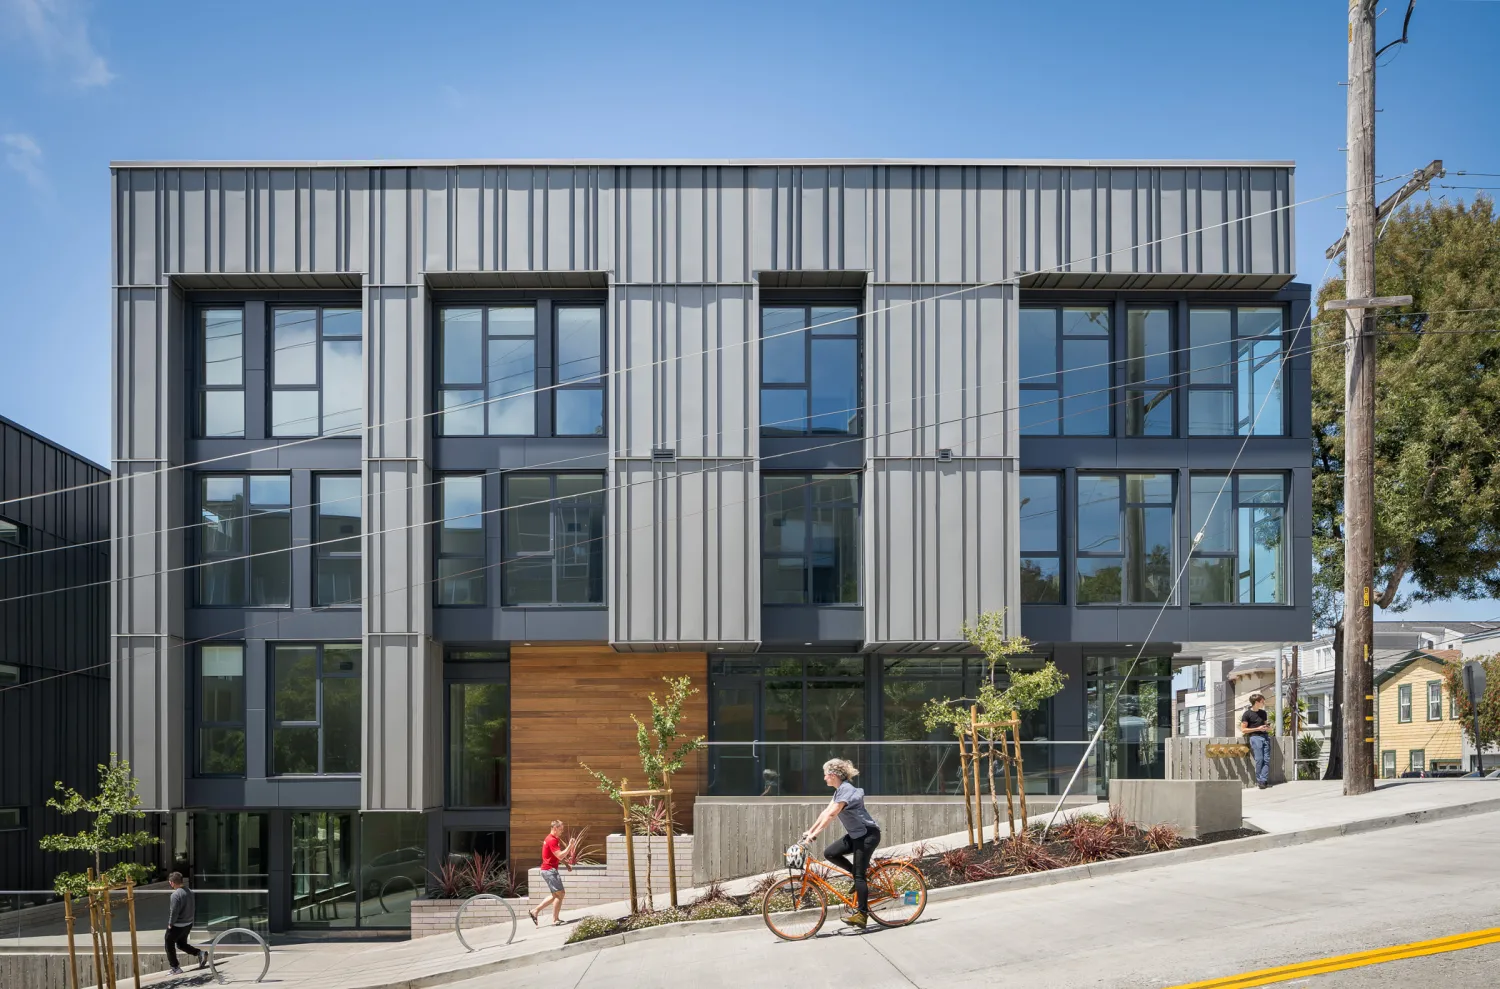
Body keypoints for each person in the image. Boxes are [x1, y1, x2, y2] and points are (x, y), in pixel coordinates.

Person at [802, 758, 880, 929]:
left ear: (833, 775)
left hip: (867, 835)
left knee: (860, 876)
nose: (824, 779)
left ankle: (862, 915)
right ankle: (859, 877)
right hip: (856, 835)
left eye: (825, 776)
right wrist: (810, 830)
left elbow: (833, 814)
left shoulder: (846, 790)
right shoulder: (839, 791)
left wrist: (814, 836)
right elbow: (825, 812)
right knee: (830, 853)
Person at [528, 820, 571, 927]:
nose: (562, 831)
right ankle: (555, 920)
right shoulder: (552, 840)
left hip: (547, 870)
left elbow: (556, 856)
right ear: (555, 828)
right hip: (550, 871)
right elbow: (560, 855)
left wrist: (566, 864)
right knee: (560, 894)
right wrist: (570, 846)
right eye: (561, 829)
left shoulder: (552, 839)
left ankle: (535, 911)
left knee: (555, 895)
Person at [165, 872, 207, 974]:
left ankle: (175, 968)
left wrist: (170, 923)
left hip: (177, 925)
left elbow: (174, 911)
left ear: (172, 883)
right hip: (188, 923)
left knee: (168, 944)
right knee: (181, 944)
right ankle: (199, 953)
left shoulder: (175, 895)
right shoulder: (189, 891)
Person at [1241, 693, 1273, 789]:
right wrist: (1257, 728)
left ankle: (1263, 780)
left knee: (1266, 760)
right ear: (1256, 702)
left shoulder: (1263, 713)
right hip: (1255, 738)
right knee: (1259, 760)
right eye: (1262, 701)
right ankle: (1260, 780)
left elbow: (1267, 726)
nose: (1264, 703)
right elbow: (1243, 729)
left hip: (1265, 737)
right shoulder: (1247, 714)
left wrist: (1267, 728)